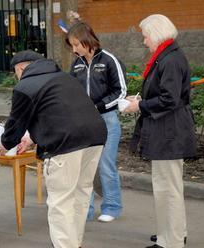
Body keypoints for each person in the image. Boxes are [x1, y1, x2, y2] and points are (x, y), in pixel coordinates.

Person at [0, 50, 107, 248]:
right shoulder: (64, 78)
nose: (17, 77)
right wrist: (31, 138)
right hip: (95, 137)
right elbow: (59, 112)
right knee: (80, 195)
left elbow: (16, 123)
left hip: (65, 143)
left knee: (61, 202)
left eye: (16, 72)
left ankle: (66, 245)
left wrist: (4, 145)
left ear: (22, 68)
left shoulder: (26, 85)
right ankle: (74, 242)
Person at [124, 14, 196, 248]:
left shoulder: (169, 59)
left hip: (169, 130)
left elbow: (169, 99)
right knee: (169, 187)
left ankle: (171, 241)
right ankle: (173, 232)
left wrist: (140, 105)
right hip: (168, 128)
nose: (144, 41)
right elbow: (167, 95)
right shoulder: (168, 55)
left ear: (156, 34)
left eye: (145, 36)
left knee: (167, 189)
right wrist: (141, 100)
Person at [66, 20, 127, 222]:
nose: (74, 49)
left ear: (86, 40)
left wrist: (97, 106)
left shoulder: (109, 60)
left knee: (106, 165)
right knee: (85, 167)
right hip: (84, 122)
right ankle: (86, 209)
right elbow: (71, 91)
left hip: (107, 119)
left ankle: (112, 207)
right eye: (72, 45)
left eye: (76, 44)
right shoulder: (76, 64)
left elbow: (121, 91)